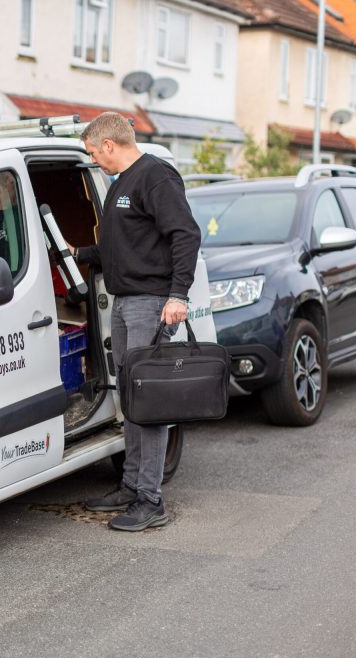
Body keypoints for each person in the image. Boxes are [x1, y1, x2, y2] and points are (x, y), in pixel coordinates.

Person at [71, 112, 201, 532]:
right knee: (130, 397)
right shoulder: (118, 184)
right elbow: (124, 246)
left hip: (152, 303)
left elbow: (185, 234)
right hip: (126, 303)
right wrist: (80, 253)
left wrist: (178, 295)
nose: (94, 161)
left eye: (94, 153)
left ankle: (151, 500)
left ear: (109, 145)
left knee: (149, 401)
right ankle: (130, 486)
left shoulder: (155, 177)